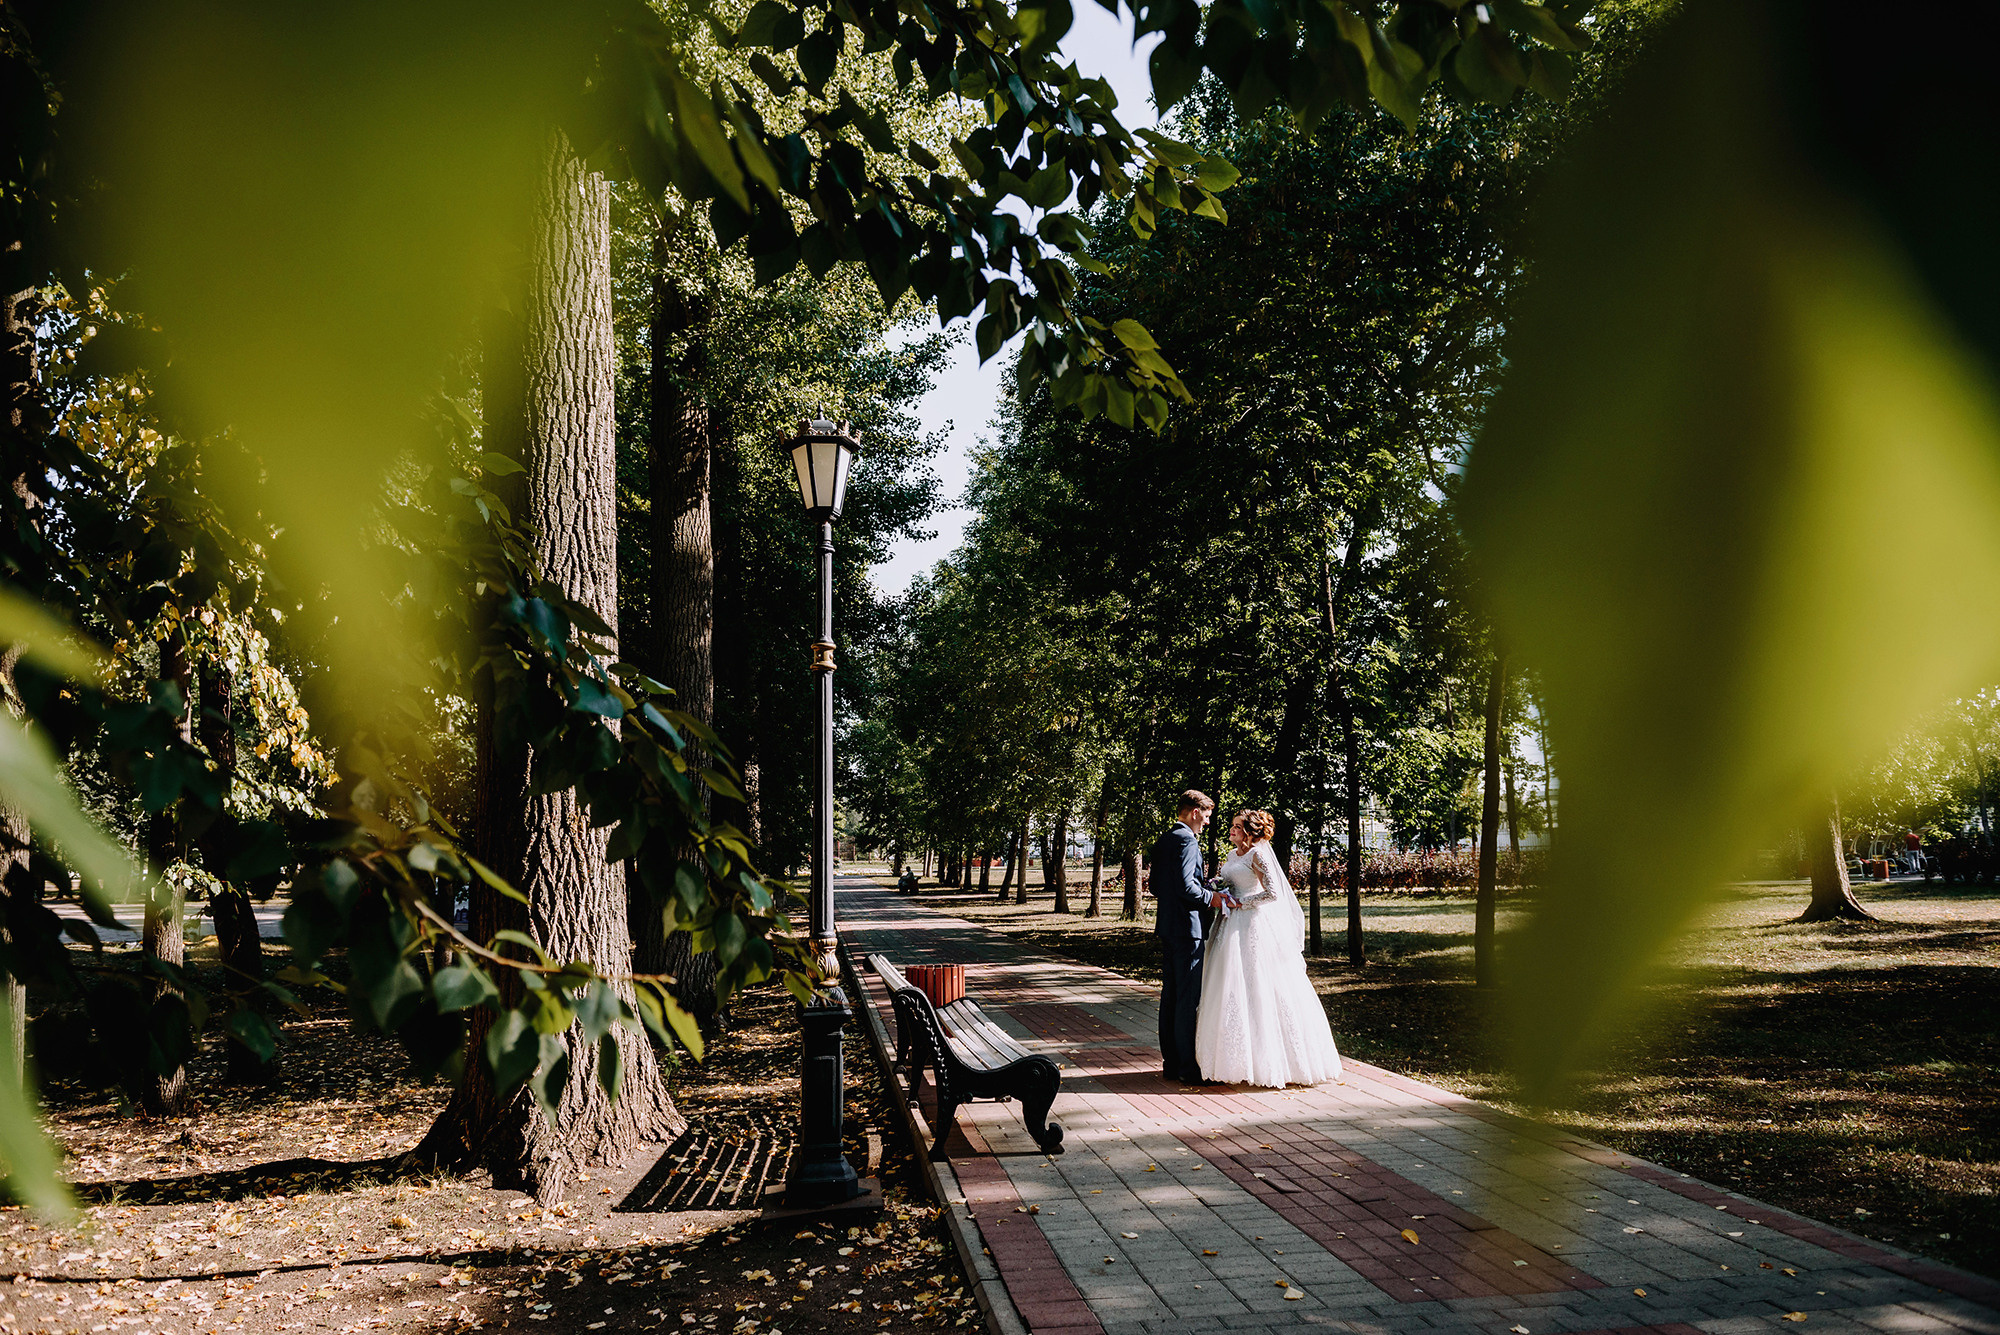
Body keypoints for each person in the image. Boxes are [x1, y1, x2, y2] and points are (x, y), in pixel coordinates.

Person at [1194, 808, 1343, 1088]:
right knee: (1229, 983)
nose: (1232, 830)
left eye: (1237, 827)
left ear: (1250, 832)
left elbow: (1272, 893)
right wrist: (1220, 889)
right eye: (1232, 826)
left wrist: (1241, 902)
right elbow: (1232, 881)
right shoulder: (1232, 855)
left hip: (1251, 923)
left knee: (1259, 982)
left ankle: (1274, 1060)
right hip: (1229, 923)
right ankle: (1233, 1059)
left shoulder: (1257, 855)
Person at [1150, 789, 1236, 1084]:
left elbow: (1157, 887)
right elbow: (1187, 888)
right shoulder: (1187, 841)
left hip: (1169, 927)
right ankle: (1188, 1067)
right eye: (1207, 817)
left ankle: (1171, 1063)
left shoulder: (1165, 839)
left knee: (1171, 996)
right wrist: (1212, 897)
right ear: (1195, 812)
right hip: (1189, 931)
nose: (1208, 823)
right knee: (1187, 999)